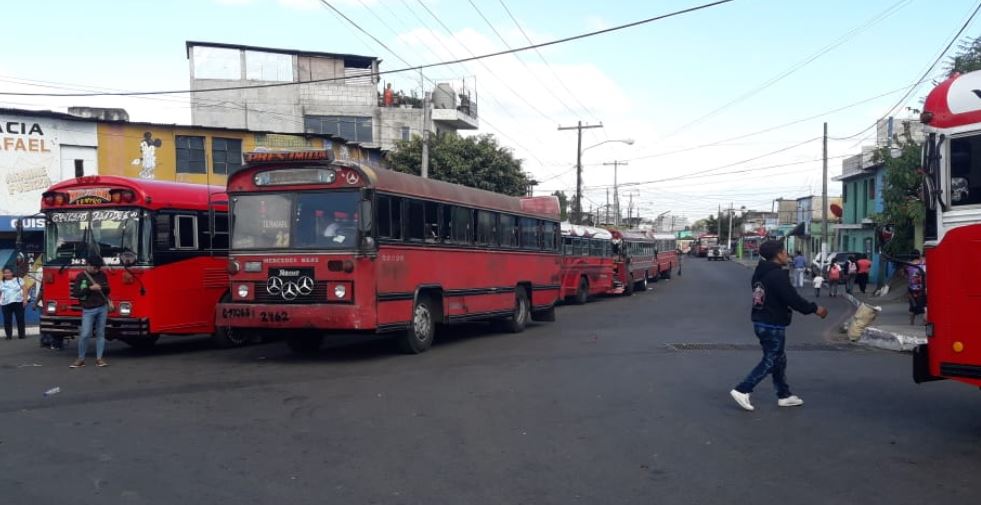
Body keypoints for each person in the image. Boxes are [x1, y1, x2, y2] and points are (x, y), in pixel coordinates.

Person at [730, 240, 828, 411]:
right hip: (771, 323)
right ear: (777, 254)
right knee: (772, 359)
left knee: (779, 359)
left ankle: (784, 395)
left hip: (761, 320)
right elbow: (793, 299)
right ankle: (743, 389)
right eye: (784, 252)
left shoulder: (760, 272)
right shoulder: (777, 275)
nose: (787, 255)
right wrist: (814, 309)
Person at [71, 255, 111, 368]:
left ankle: (99, 358)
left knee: (100, 333)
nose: (97, 270)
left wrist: (102, 288)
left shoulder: (102, 275)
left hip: (102, 307)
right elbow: (76, 293)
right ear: (88, 265)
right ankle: (81, 359)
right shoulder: (81, 276)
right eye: (95, 267)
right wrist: (90, 289)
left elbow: (108, 290)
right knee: (85, 334)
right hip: (88, 309)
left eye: (98, 268)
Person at [1, 267, 29, 340]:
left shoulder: (18, 279)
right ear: (3, 274)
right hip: (5, 304)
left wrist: (25, 300)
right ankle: (8, 336)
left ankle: (21, 335)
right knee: (7, 320)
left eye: (8, 272)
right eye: (5, 273)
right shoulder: (1, 282)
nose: (7, 274)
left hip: (18, 302)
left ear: (12, 273)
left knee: (20, 319)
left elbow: (25, 289)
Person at [906, 250, 927, 326]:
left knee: (912, 307)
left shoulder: (908, 265)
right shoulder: (923, 264)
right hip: (922, 288)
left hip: (911, 289)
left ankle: (911, 323)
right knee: (925, 305)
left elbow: (904, 274)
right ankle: (925, 321)